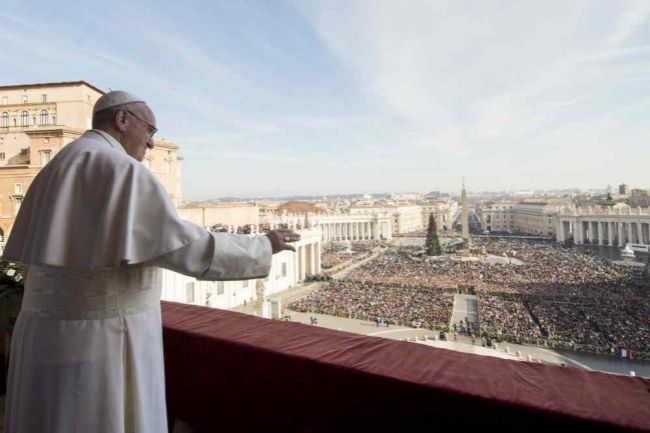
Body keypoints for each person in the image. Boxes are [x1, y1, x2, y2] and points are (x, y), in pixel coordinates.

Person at [1, 91, 300, 433]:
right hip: (102, 337)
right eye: (151, 131)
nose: (153, 144)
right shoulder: (119, 168)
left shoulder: (60, 163)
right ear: (123, 119)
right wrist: (262, 245)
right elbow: (181, 246)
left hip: (44, 331)